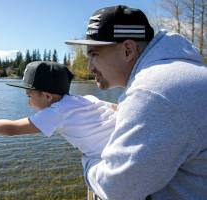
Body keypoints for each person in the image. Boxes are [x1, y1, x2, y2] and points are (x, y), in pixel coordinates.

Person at [66, 4, 207, 200]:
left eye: (94, 54)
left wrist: (89, 160)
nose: (89, 66)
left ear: (128, 50)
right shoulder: (180, 73)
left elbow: (116, 189)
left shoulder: (152, 91)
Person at [0, 61, 116, 159]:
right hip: (122, 142)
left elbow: (11, 128)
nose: (29, 103)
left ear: (48, 96)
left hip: (109, 156)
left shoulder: (56, 112)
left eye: (29, 96)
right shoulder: (85, 98)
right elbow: (115, 107)